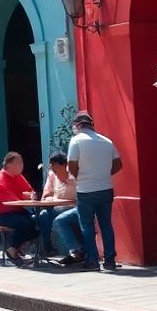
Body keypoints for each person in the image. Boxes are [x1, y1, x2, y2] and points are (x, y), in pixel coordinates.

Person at [66, 110, 122, 271]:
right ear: (91, 125)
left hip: (86, 190)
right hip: (106, 188)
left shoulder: (76, 141)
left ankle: (92, 261)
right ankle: (110, 260)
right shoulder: (106, 141)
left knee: (87, 226)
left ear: (77, 125)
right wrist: (103, 174)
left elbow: (72, 165)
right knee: (106, 225)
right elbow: (118, 164)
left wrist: (80, 177)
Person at [0, 153, 40, 266]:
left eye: (22, 162)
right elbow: (1, 197)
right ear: (9, 165)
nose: (22, 165)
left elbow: (30, 191)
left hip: (16, 211)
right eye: (19, 163)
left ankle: (19, 249)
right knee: (25, 223)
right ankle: (12, 251)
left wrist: (30, 195)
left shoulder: (18, 177)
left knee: (38, 220)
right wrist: (22, 197)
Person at [40, 152, 79, 259]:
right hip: (57, 208)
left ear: (63, 165)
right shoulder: (52, 175)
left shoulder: (74, 175)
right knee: (43, 215)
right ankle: (48, 248)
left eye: (54, 165)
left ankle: (76, 251)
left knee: (59, 220)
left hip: (73, 208)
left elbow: (79, 198)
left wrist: (56, 199)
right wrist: (50, 198)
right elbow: (46, 195)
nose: (52, 168)